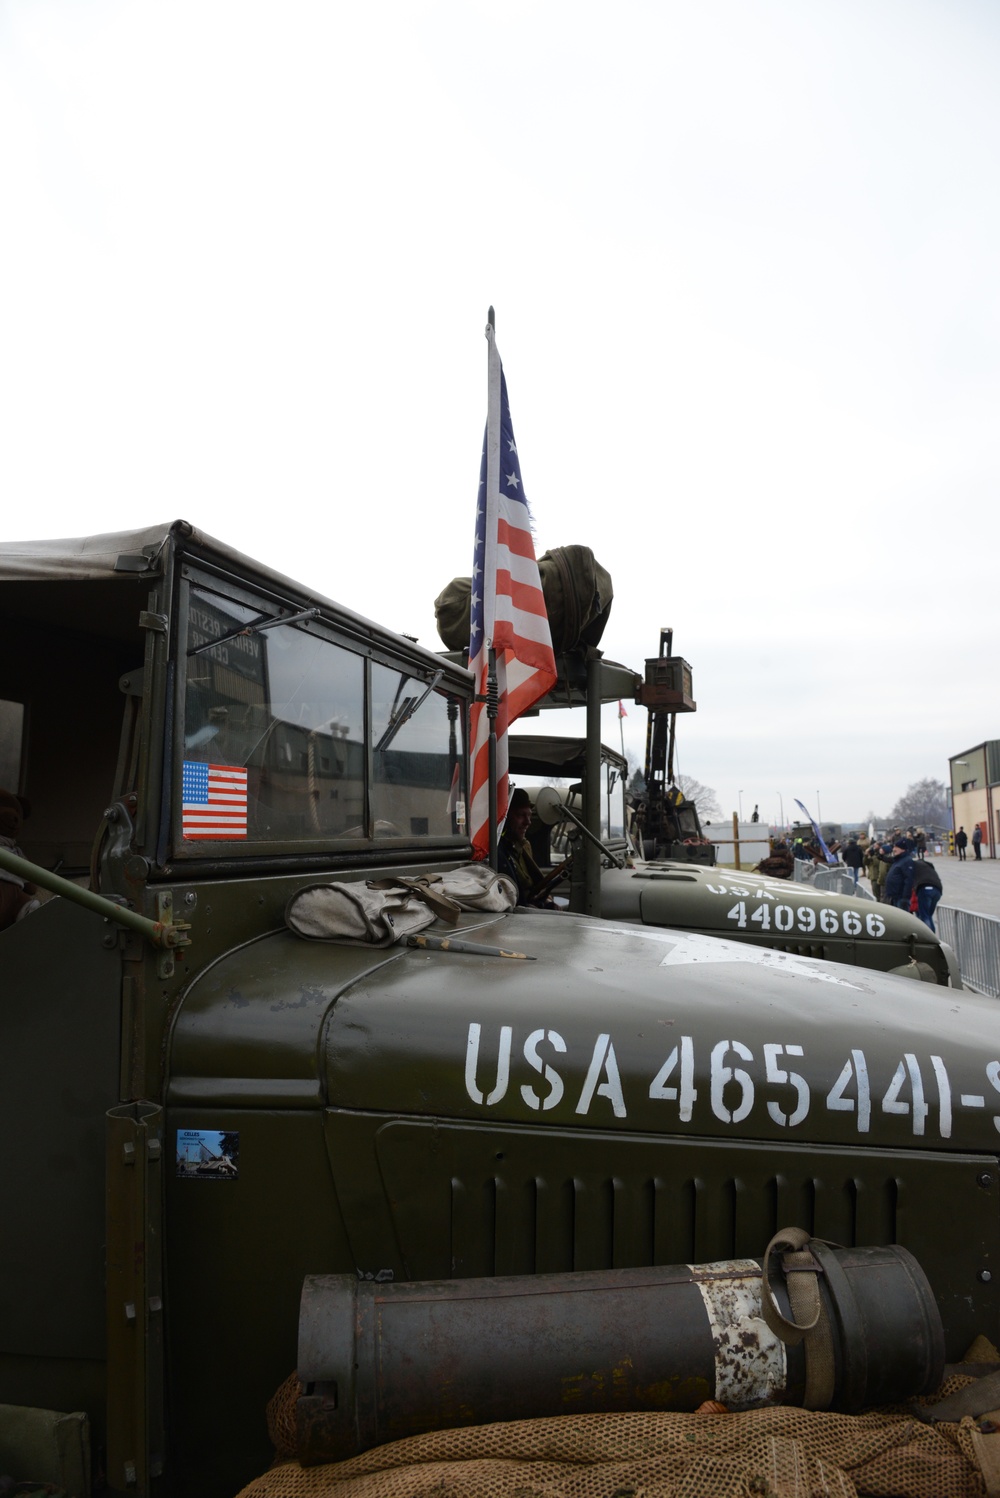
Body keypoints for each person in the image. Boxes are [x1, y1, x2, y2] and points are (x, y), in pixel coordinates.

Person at [497, 787, 555, 907]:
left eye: (529, 815)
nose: (528, 822)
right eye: (520, 815)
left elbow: (534, 883)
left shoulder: (524, 846)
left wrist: (547, 900)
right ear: (506, 817)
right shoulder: (499, 851)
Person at [0, 789, 40, 931]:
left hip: (15, 893)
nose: (13, 818)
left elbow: (31, 884)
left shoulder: (15, 851)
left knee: (22, 904)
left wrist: (30, 885)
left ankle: (25, 912)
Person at [883, 837, 916, 910]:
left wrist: (905, 897)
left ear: (903, 849)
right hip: (894, 896)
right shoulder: (898, 860)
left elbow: (909, 879)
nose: (894, 849)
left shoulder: (907, 861)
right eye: (894, 847)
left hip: (901, 898)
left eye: (896, 847)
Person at [910, 859, 943, 931]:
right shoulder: (929, 868)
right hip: (937, 890)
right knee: (928, 916)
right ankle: (932, 935)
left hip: (924, 889)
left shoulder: (915, 866)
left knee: (924, 916)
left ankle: (928, 938)